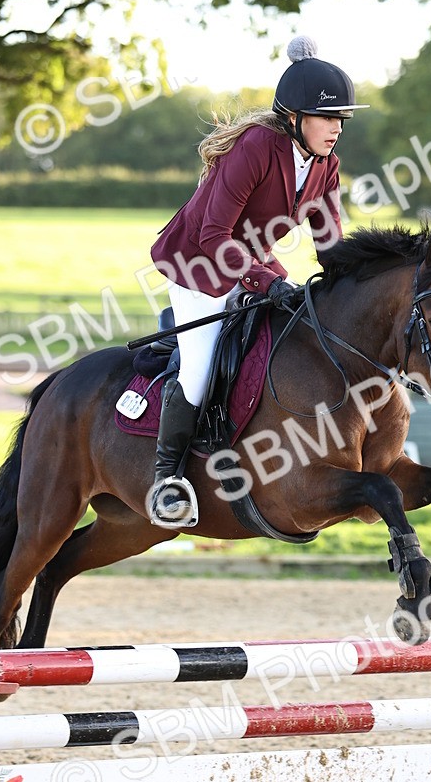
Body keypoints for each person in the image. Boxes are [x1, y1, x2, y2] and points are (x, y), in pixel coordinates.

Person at [147, 36, 368, 527]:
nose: (336, 129)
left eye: (340, 121)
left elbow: (329, 247)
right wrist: (265, 282)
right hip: (198, 266)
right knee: (201, 367)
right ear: (294, 118)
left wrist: (366, 283)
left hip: (251, 266)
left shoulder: (326, 166)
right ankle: (167, 479)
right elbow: (213, 234)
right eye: (326, 118)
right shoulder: (254, 148)